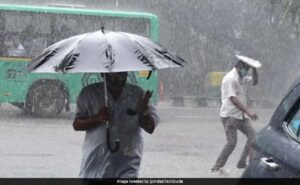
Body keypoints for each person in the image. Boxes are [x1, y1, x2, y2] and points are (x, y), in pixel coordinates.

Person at [73, 72, 160, 178]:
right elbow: (77, 124)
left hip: (127, 166)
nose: (119, 76)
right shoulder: (88, 93)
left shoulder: (137, 94)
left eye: (123, 72)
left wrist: (144, 110)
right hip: (95, 166)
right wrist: (97, 118)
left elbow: (150, 127)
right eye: (114, 73)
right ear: (103, 74)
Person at [211, 55, 261, 174]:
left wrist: (254, 69)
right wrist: (248, 111)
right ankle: (216, 167)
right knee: (232, 143)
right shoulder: (230, 78)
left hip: (241, 116)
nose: (246, 72)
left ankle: (242, 161)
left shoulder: (241, 77)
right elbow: (233, 99)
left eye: (248, 69)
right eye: (246, 69)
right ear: (238, 66)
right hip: (230, 116)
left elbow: (255, 82)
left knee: (254, 136)